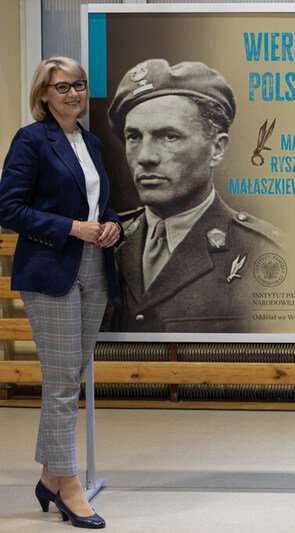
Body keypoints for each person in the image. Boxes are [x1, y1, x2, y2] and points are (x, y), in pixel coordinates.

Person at [0, 57, 122, 529]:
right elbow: (9, 209)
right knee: (62, 383)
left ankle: (49, 477)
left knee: (70, 376)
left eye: (79, 85)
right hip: (51, 269)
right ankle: (69, 486)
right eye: (62, 86)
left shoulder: (90, 142)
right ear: (44, 95)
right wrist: (72, 227)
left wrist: (110, 223)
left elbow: (98, 203)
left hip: (94, 265)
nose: (73, 93)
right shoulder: (31, 140)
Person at [105, 59, 284, 333]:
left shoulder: (261, 251)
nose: (145, 157)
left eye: (169, 136)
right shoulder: (108, 240)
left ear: (216, 149)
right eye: (133, 137)